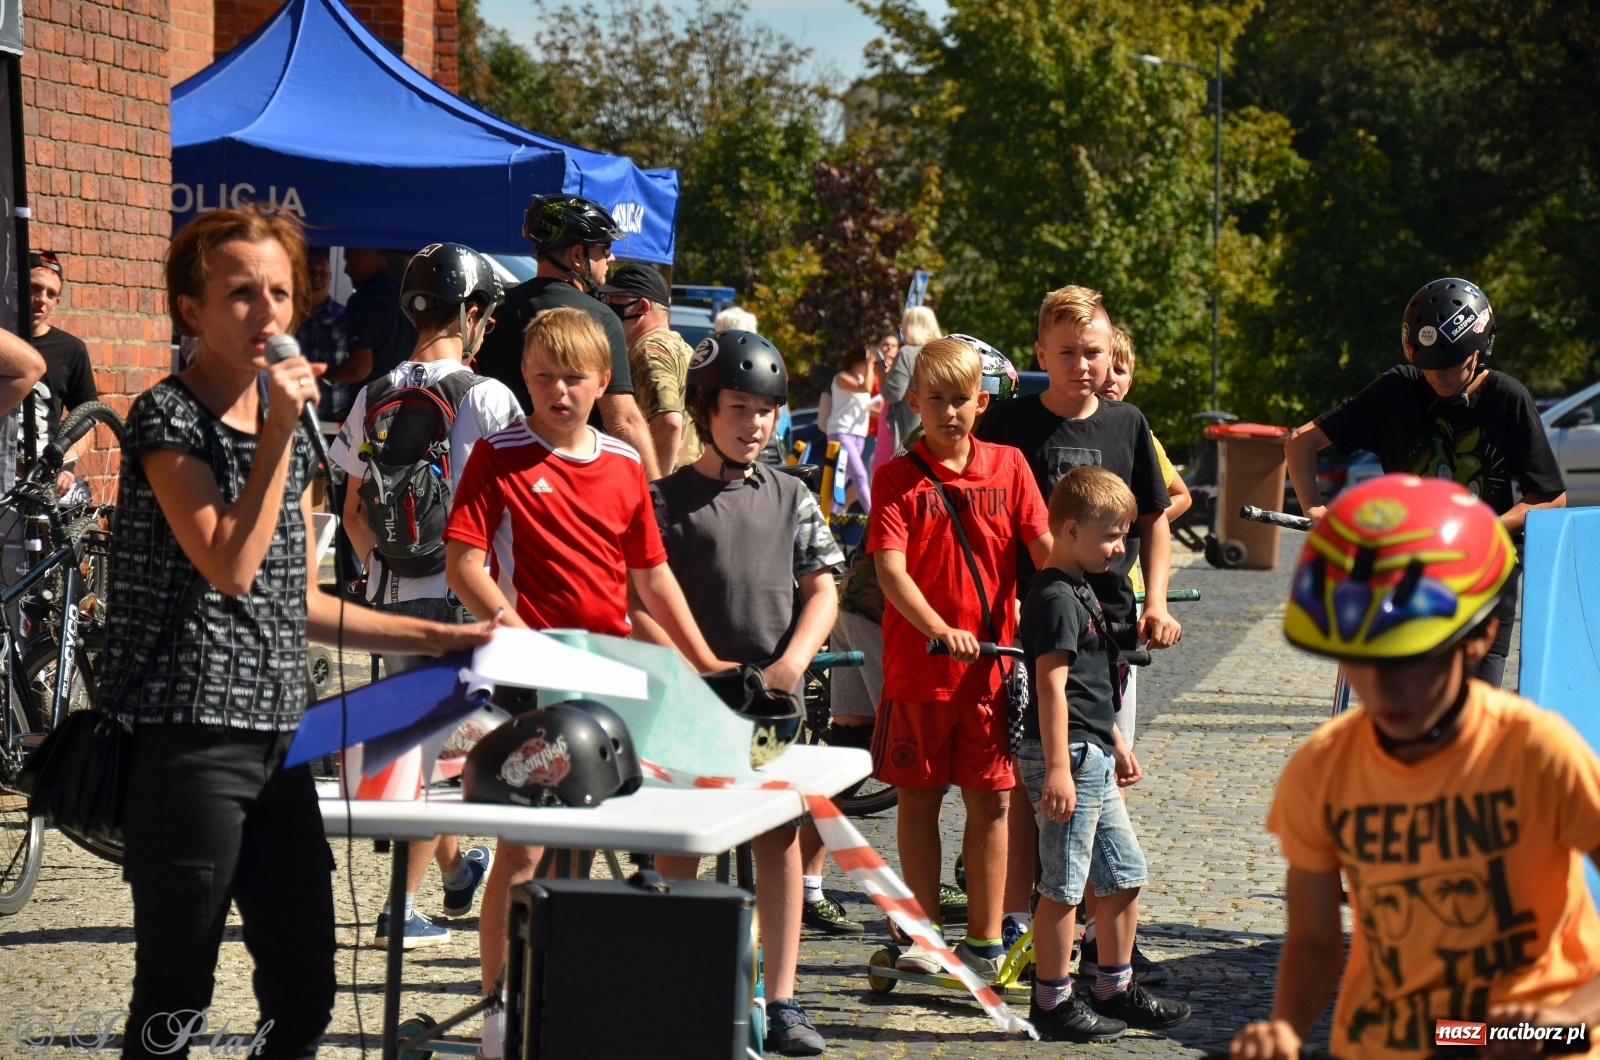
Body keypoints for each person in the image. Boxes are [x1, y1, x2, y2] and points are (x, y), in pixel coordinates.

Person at [114, 205, 496, 1060]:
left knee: (304, 991)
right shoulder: (168, 418)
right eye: (241, 293)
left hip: (281, 741)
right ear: (191, 309)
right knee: (176, 994)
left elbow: (293, 598)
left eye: (281, 293)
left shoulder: (277, 427)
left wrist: (437, 639)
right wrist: (281, 436)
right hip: (189, 739)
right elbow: (230, 565)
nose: (267, 311)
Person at [1229, 473, 1600, 1060]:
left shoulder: (1538, 752)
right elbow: (1315, 940)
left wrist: (1569, 1014)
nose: (1383, 686)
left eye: (1411, 658)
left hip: (1535, 1039)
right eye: (1361, 657)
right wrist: (1286, 1029)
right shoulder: (1322, 769)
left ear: (1480, 634)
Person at [443, 306, 730, 1059]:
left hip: (612, 679)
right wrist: (514, 631)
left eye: (574, 377)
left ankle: (577, 1000)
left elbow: (651, 576)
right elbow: (464, 564)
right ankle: (501, 1007)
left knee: (607, 842)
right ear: (524, 378)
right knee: (524, 849)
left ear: (604, 381)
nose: (558, 391)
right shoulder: (499, 454)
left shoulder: (626, 462)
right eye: (543, 377)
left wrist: (704, 661)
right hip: (528, 681)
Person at [639, 329, 842, 1055]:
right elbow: (639, 603)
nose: (753, 423)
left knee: (777, 842)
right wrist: (690, 668)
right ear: (704, 410)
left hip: (770, 703)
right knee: (682, 845)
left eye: (764, 410)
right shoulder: (663, 500)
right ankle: (677, 990)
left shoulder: (792, 496)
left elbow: (822, 589)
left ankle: (782, 999)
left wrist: (792, 663)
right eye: (737, 407)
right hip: (689, 703)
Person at [975, 285, 1177, 979]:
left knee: (1100, 782)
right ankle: (1020, 922)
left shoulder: (1128, 423)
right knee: (1029, 781)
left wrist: (1156, 601)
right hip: (1030, 624)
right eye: (1066, 353)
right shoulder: (1009, 424)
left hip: (1110, 631)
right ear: (1041, 354)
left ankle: (1101, 934)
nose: (1082, 365)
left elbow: (1155, 518)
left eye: (1093, 351)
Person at [331, 242, 520, 950]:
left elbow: (352, 511)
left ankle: (456, 870)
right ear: (470, 313)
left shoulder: (372, 393)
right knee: (438, 757)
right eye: (486, 315)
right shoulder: (487, 396)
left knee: (424, 739)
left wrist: (384, 569)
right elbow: (515, 511)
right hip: (465, 599)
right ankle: (397, 912)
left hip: (392, 599)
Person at [868, 336, 1052, 981]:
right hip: (920, 669)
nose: (950, 412)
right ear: (916, 401)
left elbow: (1044, 550)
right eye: (937, 400)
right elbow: (890, 570)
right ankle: (923, 935)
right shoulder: (896, 477)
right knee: (918, 800)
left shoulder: (1010, 466)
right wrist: (939, 628)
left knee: (993, 803)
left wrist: (1077, 599)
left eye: (961, 400)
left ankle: (984, 939)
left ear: (982, 402)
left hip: (991, 673)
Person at [1284, 278, 1565, 690]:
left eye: (1451, 364)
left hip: (1483, 573)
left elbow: (1551, 496)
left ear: (1479, 349)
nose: (1438, 375)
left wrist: (1484, 525)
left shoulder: (1507, 398)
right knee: (1408, 700)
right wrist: (1314, 508)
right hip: (1405, 572)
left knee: (1473, 704)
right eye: (1428, 365)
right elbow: (1300, 442)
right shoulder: (1396, 390)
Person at [1018, 465, 1192, 1041]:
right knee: (1064, 886)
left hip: (1090, 748)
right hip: (1066, 754)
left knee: (1123, 873)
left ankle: (1114, 987)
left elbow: (1090, 683)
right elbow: (1051, 687)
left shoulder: (1081, 586)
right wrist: (1059, 768)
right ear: (1070, 530)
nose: (1121, 549)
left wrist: (1115, 740)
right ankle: (1052, 1000)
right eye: (1112, 536)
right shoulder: (1054, 597)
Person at [473, 193, 661, 479]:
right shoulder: (599, 317)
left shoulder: (495, 308)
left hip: (500, 471)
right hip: (574, 477)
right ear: (577, 255)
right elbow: (624, 421)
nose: (610, 258)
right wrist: (656, 493)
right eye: (604, 248)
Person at [599, 263, 698, 469]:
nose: (607, 308)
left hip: (669, 483)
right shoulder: (683, 348)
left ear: (641, 306)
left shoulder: (649, 350)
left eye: (614, 300)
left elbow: (668, 422)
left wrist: (655, 484)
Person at [24, 250, 98, 497]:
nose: (41, 299)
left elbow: (87, 419)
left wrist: (66, 462)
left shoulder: (71, 350)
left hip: (42, 476)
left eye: (51, 293)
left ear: (57, 301)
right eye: (34, 288)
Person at [328, 247, 418, 387]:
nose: (346, 270)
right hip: (408, 390)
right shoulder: (410, 297)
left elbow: (359, 369)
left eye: (348, 262)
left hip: (373, 394)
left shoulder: (362, 301)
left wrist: (325, 376)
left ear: (360, 258)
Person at [872, 305, 941, 479]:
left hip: (906, 433)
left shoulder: (907, 353)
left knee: (887, 479)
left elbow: (892, 393)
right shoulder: (940, 353)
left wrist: (883, 376)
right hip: (936, 430)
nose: (902, 330)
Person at [294, 247, 351, 424]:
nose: (317, 277)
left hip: (336, 413)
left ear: (330, 277)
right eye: (311, 272)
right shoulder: (290, 316)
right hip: (297, 411)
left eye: (322, 272)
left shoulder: (346, 317)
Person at [825, 346, 879, 513]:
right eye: (866, 363)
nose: (869, 367)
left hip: (859, 435)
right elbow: (866, 389)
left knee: (841, 480)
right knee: (861, 476)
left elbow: (865, 407)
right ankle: (874, 517)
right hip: (842, 432)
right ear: (856, 361)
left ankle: (828, 514)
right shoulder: (842, 378)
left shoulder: (861, 379)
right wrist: (870, 364)